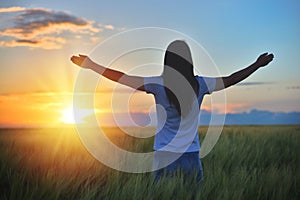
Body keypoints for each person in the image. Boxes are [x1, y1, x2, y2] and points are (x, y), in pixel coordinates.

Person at [71, 40, 274, 185]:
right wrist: (257, 65)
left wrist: (92, 65)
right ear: (189, 62)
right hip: (191, 157)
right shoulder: (200, 84)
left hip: (163, 156)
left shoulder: (158, 84)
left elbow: (123, 77)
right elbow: (230, 79)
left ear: (167, 62)